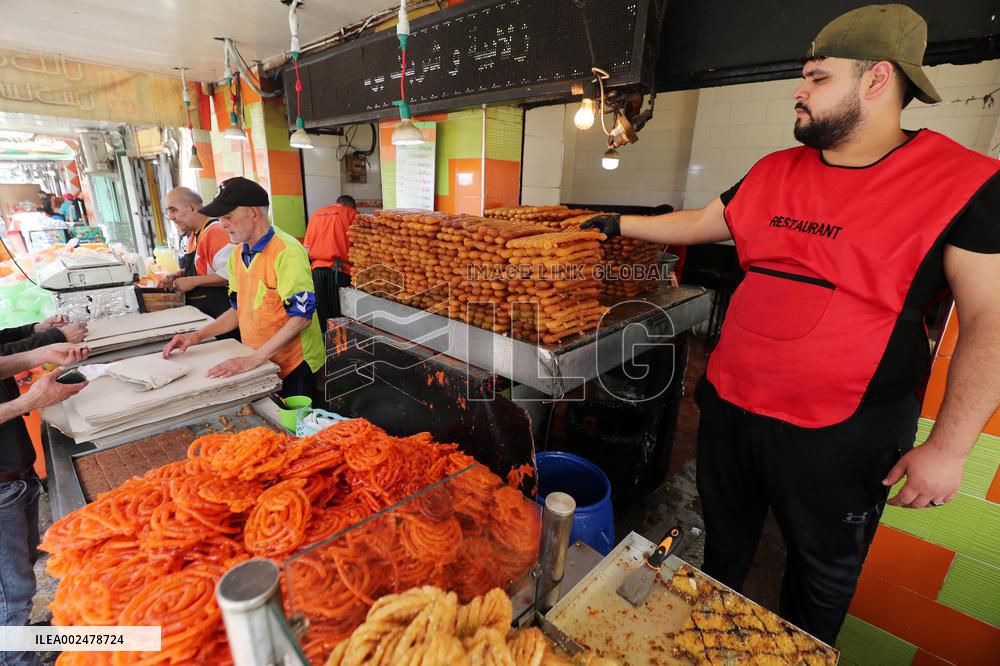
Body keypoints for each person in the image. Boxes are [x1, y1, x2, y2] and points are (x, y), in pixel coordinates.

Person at [581, 4, 1000, 644]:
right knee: (723, 542)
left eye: (817, 77)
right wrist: (616, 225)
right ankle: (703, 643)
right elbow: (701, 222)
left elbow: (990, 318)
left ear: (878, 80)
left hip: (843, 431)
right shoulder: (777, 170)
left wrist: (950, 446)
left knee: (819, 572)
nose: (799, 92)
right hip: (731, 404)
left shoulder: (963, 183)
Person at [163, 177, 324, 400]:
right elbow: (238, 310)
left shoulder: (286, 252)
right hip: (261, 359)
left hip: (294, 363)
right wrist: (197, 336)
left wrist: (254, 359)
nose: (222, 224)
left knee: (296, 427)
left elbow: (301, 317)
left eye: (227, 216)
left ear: (253, 213)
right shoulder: (238, 254)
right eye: (220, 217)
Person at [0, 341, 89, 666]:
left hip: (13, 475)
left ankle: (23, 641)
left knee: (19, 580)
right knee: (10, 598)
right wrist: (27, 402)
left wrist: (36, 355)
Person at [159, 187, 235, 320]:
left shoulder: (216, 232)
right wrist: (181, 273)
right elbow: (204, 267)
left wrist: (193, 281)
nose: (170, 217)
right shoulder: (194, 234)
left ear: (193, 208)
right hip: (205, 314)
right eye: (168, 211)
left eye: (174, 210)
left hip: (221, 314)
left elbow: (232, 273)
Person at [303, 194, 357, 331]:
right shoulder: (351, 214)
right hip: (339, 271)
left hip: (316, 271)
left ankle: (326, 348)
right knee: (340, 316)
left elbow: (306, 249)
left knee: (323, 315)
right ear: (350, 206)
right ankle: (341, 350)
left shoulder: (316, 214)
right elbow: (360, 246)